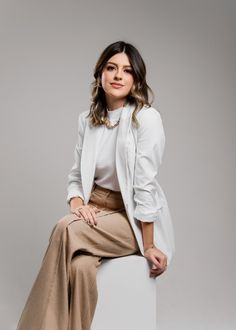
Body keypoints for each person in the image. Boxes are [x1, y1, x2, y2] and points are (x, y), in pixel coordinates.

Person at [16, 40, 175, 330]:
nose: (118, 75)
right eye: (111, 68)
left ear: (136, 79)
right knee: (79, 267)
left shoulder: (147, 119)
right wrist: (78, 206)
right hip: (96, 211)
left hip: (131, 220)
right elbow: (76, 176)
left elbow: (145, 186)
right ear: (100, 74)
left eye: (127, 71)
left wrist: (149, 244)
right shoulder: (88, 120)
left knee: (65, 228)